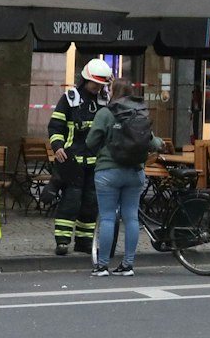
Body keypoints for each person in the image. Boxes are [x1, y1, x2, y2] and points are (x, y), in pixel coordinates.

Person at [81, 80, 163, 279]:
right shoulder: (141, 113)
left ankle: (102, 266)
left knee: (108, 217)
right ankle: (128, 264)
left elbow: (91, 141)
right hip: (135, 172)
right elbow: (153, 143)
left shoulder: (105, 113)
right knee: (131, 218)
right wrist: (161, 143)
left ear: (113, 92)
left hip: (108, 172)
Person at [48, 58, 110, 257]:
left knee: (91, 202)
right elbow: (56, 125)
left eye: (101, 84)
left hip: (95, 161)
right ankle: (63, 241)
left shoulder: (104, 101)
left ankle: (84, 243)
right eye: (95, 83)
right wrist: (57, 146)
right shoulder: (70, 98)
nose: (98, 87)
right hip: (72, 160)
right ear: (86, 80)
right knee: (71, 200)